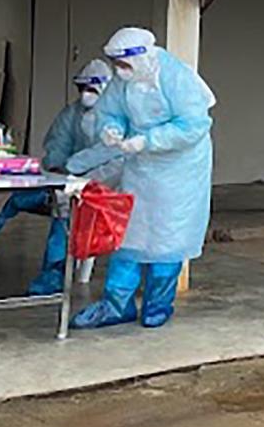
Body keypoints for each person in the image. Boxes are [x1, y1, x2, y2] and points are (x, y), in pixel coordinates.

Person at [66, 27, 216, 330]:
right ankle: (116, 306)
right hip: (141, 168)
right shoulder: (124, 80)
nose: (119, 71)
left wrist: (148, 140)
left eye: (124, 65)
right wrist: (111, 129)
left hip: (180, 171)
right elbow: (109, 112)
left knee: (167, 238)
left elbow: (193, 125)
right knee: (131, 235)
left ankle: (158, 305)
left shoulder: (176, 77)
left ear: (143, 57)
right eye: (116, 65)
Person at [0, 59, 113, 295]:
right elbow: (58, 145)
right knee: (50, 196)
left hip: (107, 181)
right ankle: (56, 267)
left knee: (66, 205)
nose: (86, 94)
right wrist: (59, 170)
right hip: (71, 177)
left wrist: (82, 179)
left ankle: (56, 269)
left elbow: (116, 161)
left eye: (92, 89)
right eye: (83, 88)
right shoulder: (72, 113)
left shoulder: (116, 119)